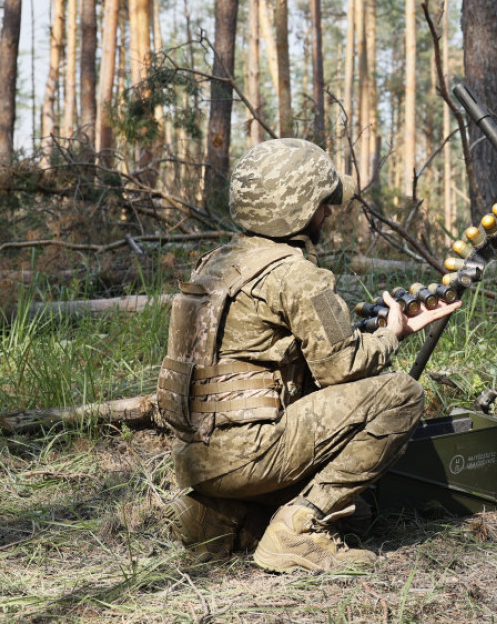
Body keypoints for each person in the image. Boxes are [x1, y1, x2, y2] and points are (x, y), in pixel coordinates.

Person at [158, 138, 460, 573]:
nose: (329, 213)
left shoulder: (216, 264)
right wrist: (391, 335)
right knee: (401, 394)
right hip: (251, 456)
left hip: (196, 460)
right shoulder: (297, 275)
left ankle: (219, 517)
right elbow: (342, 367)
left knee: (362, 516)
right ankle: (299, 530)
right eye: (323, 203)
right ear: (300, 209)